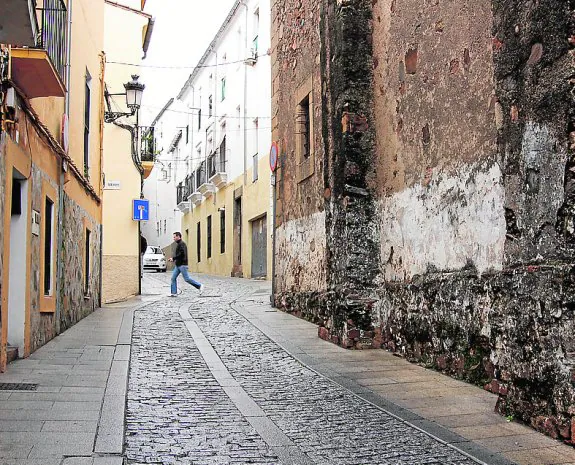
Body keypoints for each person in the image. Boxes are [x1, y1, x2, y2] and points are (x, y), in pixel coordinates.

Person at [168, 232, 204, 296]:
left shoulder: (182, 244)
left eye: (174, 237)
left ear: (178, 236)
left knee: (187, 279)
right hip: (178, 265)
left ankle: (200, 286)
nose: (173, 238)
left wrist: (173, 258)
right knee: (173, 278)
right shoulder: (179, 244)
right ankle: (174, 293)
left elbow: (182, 254)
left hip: (182, 265)